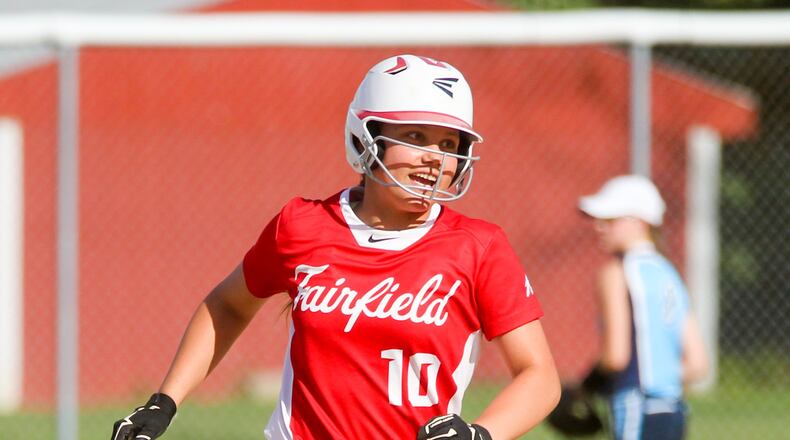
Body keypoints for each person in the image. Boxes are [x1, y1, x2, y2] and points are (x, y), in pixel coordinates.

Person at [111, 54, 560, 440]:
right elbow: (227, 306)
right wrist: (164, 401)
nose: (435, 158)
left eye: (448, 143)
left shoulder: (479, 245)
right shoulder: (303, 225)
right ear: (367, 136)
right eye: (416, 138)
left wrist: (481, 434)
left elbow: (539, 376)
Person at [577, 175, 709, 440]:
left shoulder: (616, 273)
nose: (599, 226)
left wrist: (585, 389)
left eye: (611, 220)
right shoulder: (669, 274)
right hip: (673, 410)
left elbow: (616, 356)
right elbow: (697, 364)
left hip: (635, 406)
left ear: (639, 222)